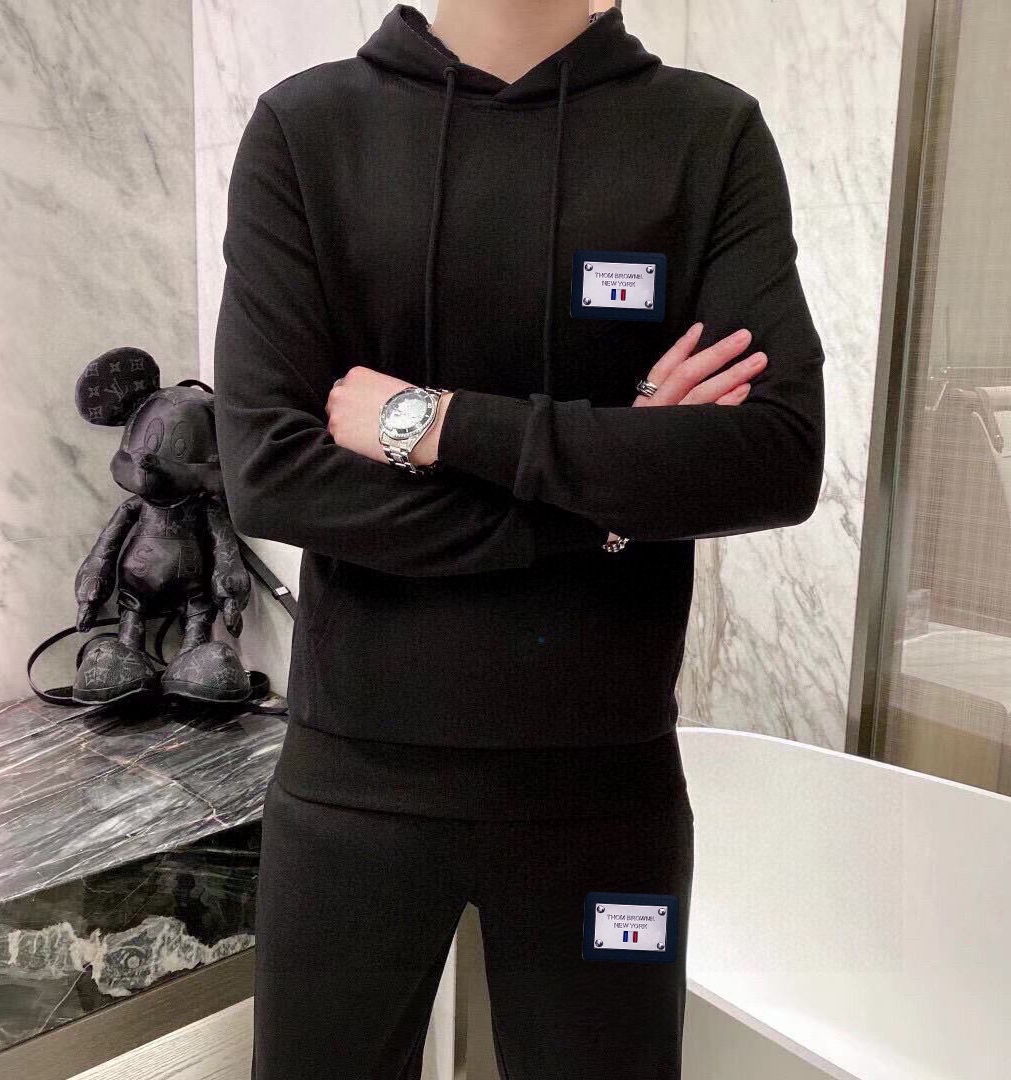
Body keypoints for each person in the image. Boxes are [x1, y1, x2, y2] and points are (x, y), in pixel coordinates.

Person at [213, 1, 824, 1077]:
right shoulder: (308, 130)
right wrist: (615, 501)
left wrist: (435, 423)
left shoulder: (707, 134)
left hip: (606, 796)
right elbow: (272, 475)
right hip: (355, 785)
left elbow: (776, 457)